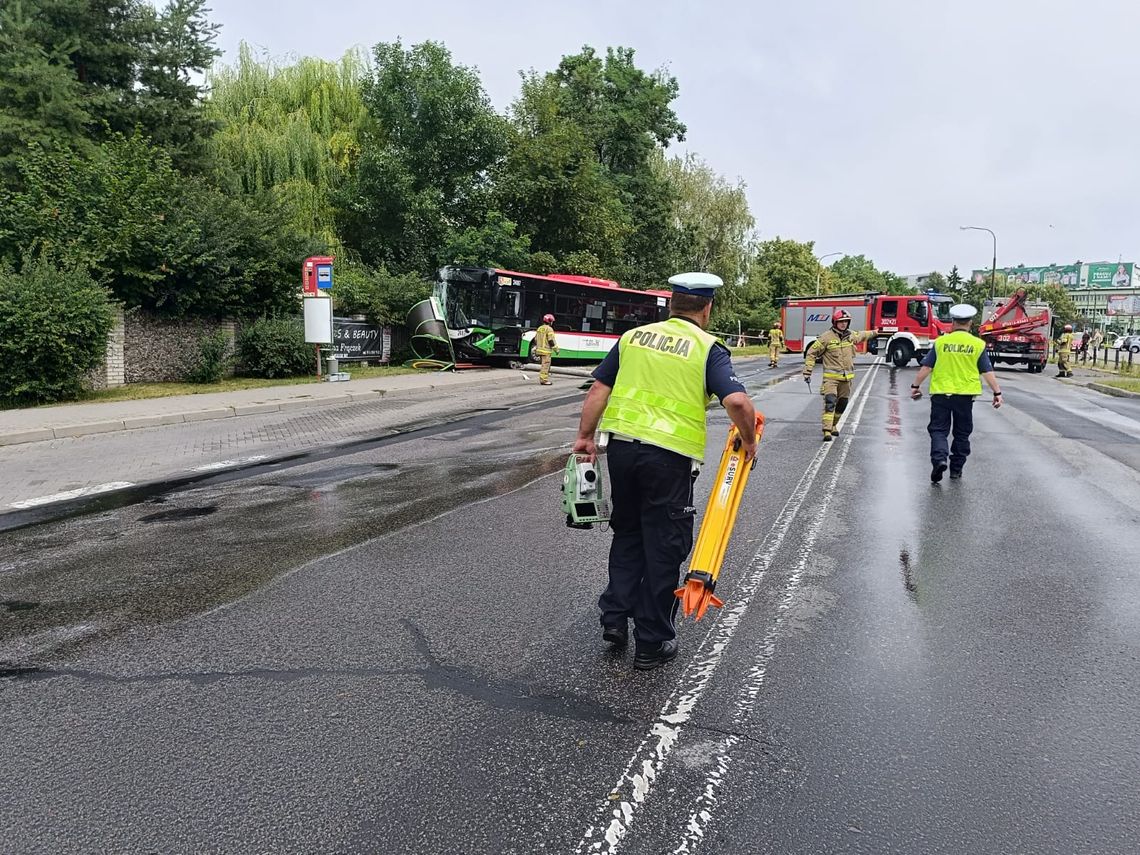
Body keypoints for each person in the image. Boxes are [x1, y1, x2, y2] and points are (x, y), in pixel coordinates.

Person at [571, 272, 758, 671]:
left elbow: (597, 391)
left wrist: (585, 437)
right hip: (668, 460)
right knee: (664, 546)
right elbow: (739, 403)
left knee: (628, 533)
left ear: (671, 304)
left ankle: (615, 619)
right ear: (707, 307)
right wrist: (750, 440)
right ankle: (652, 642)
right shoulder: (708, 348)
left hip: (622, 451)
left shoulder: (634, 338)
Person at [909, 304, 1002, 483]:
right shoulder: (977, 344)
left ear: (952, 322)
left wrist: (915, 386)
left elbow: (927, 367)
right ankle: (956, 470)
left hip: (941, 394)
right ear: (970, 323)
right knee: (962, 433)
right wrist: (996, 392)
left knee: (938, 430)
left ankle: (939, 460)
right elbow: (987, 371)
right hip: (965, 397)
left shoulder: (941, 343)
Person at [802, 310, 879, 441]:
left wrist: (875, 332)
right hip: (831, 379)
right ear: (835, 322)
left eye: (845, 322)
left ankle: (833, 426)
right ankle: (826, 430)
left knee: (842, 404)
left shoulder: (851, 336)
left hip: (846, 379)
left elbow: (862, 335)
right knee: (830, 402)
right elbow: (811, 353)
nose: (843, 324)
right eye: (841, 322)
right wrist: (807, 371)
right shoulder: (826, 338)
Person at [534, 314, 560, 385]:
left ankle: (543, 378)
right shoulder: (549, 329)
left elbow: (535, 339)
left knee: (543, 365)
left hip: (539, 350)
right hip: (546, 351)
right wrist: (556, 349)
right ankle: (544, 380)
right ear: (550, 321)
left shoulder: (539, 328)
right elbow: (551, 340)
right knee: (545, 366)